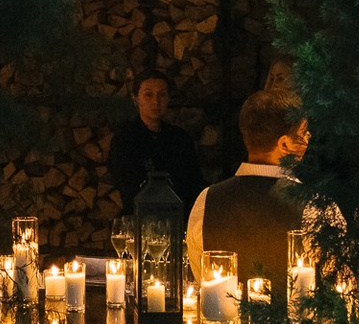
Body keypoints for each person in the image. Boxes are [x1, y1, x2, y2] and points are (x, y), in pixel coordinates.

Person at [186, 88, 311, 282]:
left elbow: (201, 275)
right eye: (303, 132)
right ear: (284, 144)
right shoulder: (312, 204)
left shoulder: (207, 200)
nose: (308, 137)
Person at [108, 70, 205, 214]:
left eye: (162, 95)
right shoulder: (124, 141)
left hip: (180, 216)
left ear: (168, 98)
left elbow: (194, 182)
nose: (156, 102)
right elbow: (126, 186)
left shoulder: (180, 139)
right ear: (136, 99)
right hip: (140, 217)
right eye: (148, 94)